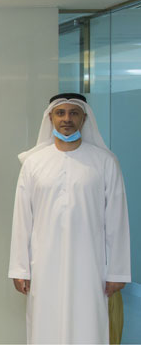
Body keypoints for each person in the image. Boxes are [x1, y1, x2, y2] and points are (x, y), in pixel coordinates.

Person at [9, 92, 131, 344]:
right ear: (50, 118)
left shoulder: (105, 162)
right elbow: (22, 219)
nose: (67, 119)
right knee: (45, 325)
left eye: (73, 113)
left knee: (89, 325)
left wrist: (117, 272)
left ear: (84, 119)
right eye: (60, 113)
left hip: (91, 265)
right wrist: (20, 268)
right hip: (43, 265)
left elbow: (117, 220)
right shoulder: (33, 164)